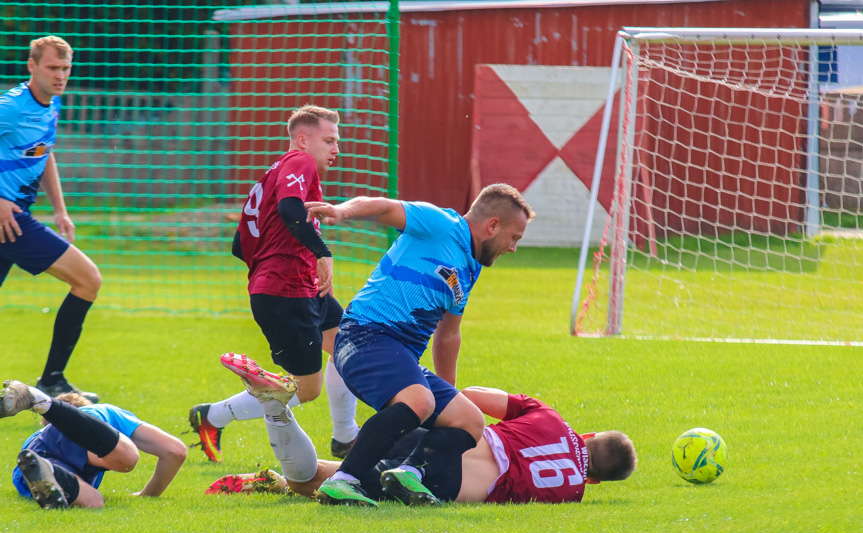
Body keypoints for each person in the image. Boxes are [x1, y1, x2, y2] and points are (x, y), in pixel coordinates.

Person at [304, 183, 535, 506]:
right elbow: (383, 207)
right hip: (364, 335)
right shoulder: (441, 224)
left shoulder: (470, 268)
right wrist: (342, 211)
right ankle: (343, 480)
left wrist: (449, 394)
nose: (512, 248)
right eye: (514, 238)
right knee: (420, 400)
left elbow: (449, 334)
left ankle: (409, 472)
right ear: (493, 225)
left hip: (399, 356)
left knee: (469, 420)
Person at [188, 105, 359, 464]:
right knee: (306, 389)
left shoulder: (273, 173)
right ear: (302, 140)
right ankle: (212, 415)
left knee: (348, 347)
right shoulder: (300, 162)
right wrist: (321, 253)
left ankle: (346, 437)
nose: (336, 150)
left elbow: (240, 245)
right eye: (329, 140)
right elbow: (290, 211)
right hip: (286, 294)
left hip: (299, 288)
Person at [208, 375, 637, 506]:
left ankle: (278, 439)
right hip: (450, 481)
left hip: (437, 437)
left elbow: (470, 397)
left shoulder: (549, 417)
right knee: (323, 483)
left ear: (589, 435)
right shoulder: (571, 492)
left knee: (343, 475)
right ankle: (280, 467)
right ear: (595, 481)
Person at [0, 36, 101, 402]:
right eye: (52, 68)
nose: (60, 76)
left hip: (15, 218)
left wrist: (60, 210)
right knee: (88, 279)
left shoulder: (51, 105)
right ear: (32, 66)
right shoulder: (10, 107)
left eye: (65, 68)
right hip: (7, 221)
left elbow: (45, 153)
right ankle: (53, 380)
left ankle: (52, 380)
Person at [0, 380, 187, 509]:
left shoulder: (36, 441)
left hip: (37, 456)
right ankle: (42, 401)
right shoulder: (104, 411)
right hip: (45, 444)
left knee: (94, 501)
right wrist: (147, 495)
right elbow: (175, 451)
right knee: (128, 457)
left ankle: (52, 472)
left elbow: (175, 452)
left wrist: (145, 497)